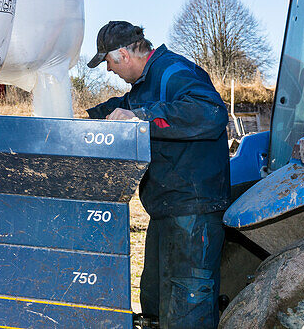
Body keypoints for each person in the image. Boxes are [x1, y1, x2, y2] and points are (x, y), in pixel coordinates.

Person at [85, 21, 230, 329]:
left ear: (123, 54)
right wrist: (75, 123)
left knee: (188, 303)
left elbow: (211, 113)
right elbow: (117, 109)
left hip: (193, 209)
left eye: (109, 63)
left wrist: (140, 117)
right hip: (165, 210)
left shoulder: (173, 71)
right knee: (155, 299)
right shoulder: (142, 87)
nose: (109, 71)